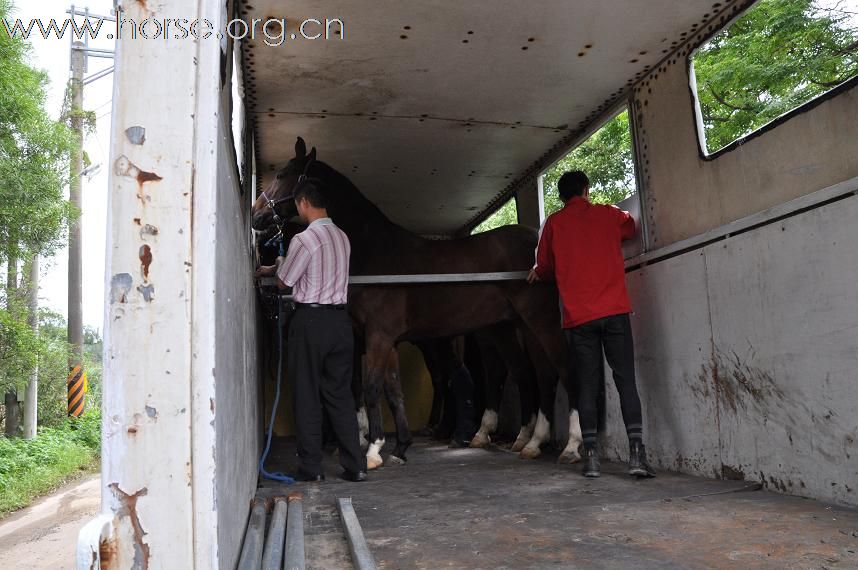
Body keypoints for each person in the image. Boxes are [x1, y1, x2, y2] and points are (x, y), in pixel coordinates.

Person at [527, 171, 655, 479]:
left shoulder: (554, 224)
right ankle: (637, 454)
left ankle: (592, 458)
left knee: (587, 385)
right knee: (625, 381)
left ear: (561, 196)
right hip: (614, 313)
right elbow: (631, 225)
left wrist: (535, 271)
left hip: (578, 319)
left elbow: (544, 267)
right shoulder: (607, 214)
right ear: (586, 189)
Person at [256, 179, 367, 483]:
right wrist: (281, 263)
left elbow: (285, 282)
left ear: (304, 203)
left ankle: (311, 468)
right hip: (341, 323)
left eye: (297, 206)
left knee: (306, 395)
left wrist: (275, 267)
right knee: (340, 395)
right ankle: (355, 466)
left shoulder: (304, 239)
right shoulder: (343, 237)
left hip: (311, 323)